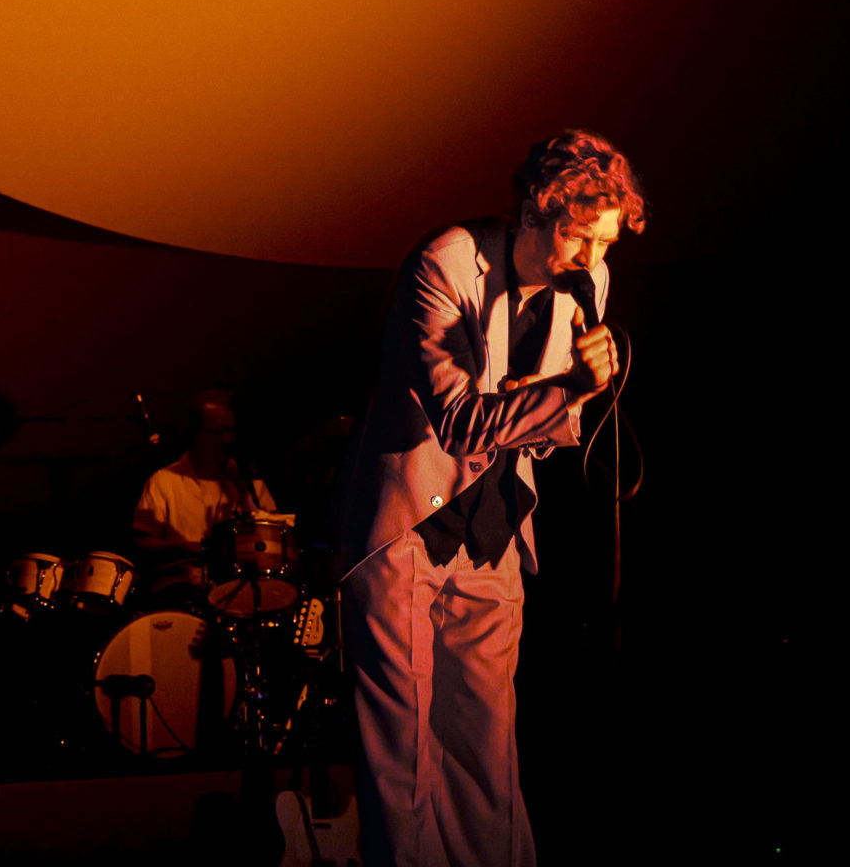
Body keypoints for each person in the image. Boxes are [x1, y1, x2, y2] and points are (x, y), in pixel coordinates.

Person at [334, 130, 645, 867]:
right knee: (403, 761)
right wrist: (567, 389)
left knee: (488, 757)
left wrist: (562, 396)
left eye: (605, 243)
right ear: (535, 212)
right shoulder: (444, 263)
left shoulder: (590, 281)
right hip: (410, 527)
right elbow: (459, 424)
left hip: (496, 528)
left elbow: (540, 429)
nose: (591, 260)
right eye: (579, 238)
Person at [131, 389, 288, 608]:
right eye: (217, 432)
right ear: (194, 435)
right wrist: (184, 548)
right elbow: (141, 542)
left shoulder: (249, 482)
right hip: (181, 595)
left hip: (242, 595)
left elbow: (278, 537)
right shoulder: (164, 482)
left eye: (230, 431)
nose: (227, 439)